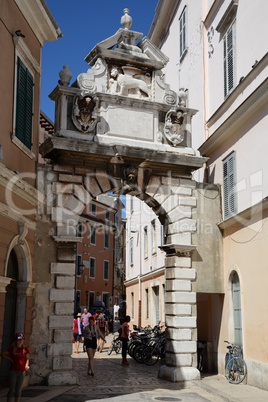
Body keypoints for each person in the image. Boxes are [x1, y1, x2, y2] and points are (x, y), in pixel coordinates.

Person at [0, 332, 29, 402]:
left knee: (18, 390)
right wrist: (10, 359)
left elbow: (27, 358)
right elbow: (2, 354)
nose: (20, 341)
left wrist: (27, 365)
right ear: (15, 341)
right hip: (13, 371)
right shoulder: (12, 349)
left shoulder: (25, 349)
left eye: (21, 339)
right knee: (11, 390)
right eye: (19, 339)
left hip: (21, 371)